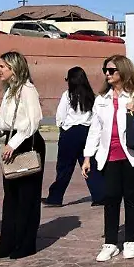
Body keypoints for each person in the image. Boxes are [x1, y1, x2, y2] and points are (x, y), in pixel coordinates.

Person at [82, 54, 134, 262]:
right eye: (105, 71)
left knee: (132, 198)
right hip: (109, 155)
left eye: (111, 70)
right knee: (111, 198)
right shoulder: (102, 99)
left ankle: (130, 240)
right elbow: (95, 129)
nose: (107, 74)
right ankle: (110, 242)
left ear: (122, 71)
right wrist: (88, 156)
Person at [0, 51, 46, 259]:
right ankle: (9, 241)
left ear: (13, 68)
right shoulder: (9, 91)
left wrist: (13, 144)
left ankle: (25, 242)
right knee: (11, 195)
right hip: (11, 142)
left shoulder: (27, 90)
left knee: (27, 196)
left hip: (27, 144)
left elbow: (33, 122)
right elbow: (4, 121)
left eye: (2, 66)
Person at [44, 67, 104, 207]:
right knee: (89, 164)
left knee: (64, 166)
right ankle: (100, 195)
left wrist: (62, 128)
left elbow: (60, 115)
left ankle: (55, 198)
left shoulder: (68, 95)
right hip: (87, 131)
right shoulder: (92, 96)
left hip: (70, 132)